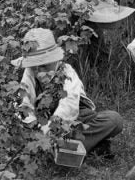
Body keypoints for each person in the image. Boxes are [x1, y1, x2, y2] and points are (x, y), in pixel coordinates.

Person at [12, 28, 123, 156]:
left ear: (55, 60)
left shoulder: (66, 71)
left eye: (44, 66)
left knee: (115, 120)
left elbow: (69, 104)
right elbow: (23, 100)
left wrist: (49, 131)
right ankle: (82, 147)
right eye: (34, 66)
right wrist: (32, 123)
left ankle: (57, 148)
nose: (39, 71)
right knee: (17, 130)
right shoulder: (30, 72)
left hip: (72, 119)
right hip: (42, 120)